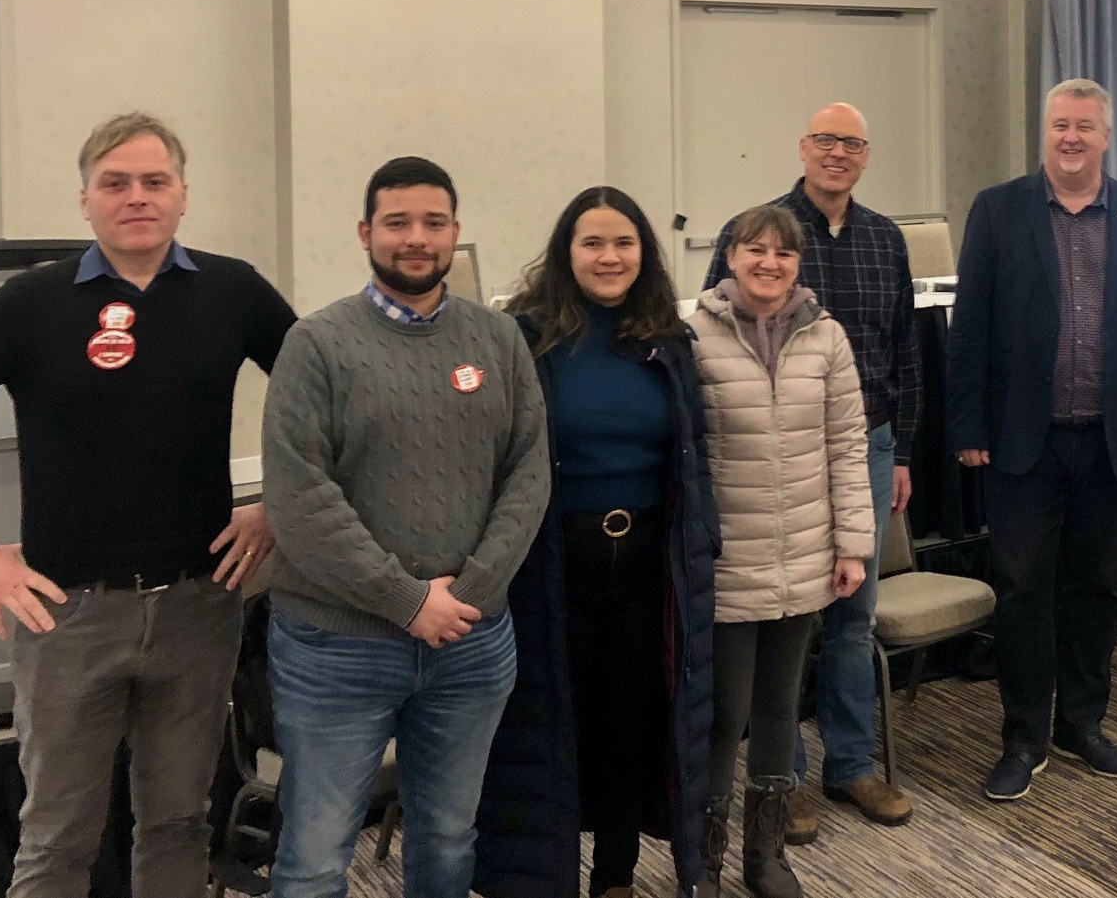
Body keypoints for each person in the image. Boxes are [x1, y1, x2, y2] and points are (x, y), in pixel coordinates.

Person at [0, 112, 294, 898]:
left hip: (197, 606)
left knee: (180, 824)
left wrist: (278, 505)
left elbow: (329, 406)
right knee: (56, 840)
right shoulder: (31, 303)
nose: (137, 196)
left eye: (155, 181)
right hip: (67, 617)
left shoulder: (233, 291)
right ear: (85, 200)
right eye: (115, 182)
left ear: (183, 194)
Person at [261, 156, 550, 898]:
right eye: (397, 223)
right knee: (318, 853)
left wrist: (473, 592)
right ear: (366, 232)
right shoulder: (316, 344)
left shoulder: (500, 338)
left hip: (471, 641)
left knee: (450, 838)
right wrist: (409, 600)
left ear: (455, 232)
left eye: (432, 222)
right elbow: (301, 499)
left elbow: (528, 473)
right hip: (338, 650)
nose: (415, 238)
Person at [947, 79, 1117, 800]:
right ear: (1045, 132)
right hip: (1023, 442)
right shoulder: (999, 209)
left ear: (1106, 135)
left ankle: (1081, 724)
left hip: (1116, 442)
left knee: (1097, 587)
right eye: (1061, 124)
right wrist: (966, 426)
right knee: (1023, 591)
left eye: (1086, 126)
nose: (1072, 138)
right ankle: (1024, 735)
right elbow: (970, 329)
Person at [475, 186, 718, 898]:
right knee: (548, 727)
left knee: (627, 727)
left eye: (623, 242)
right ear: (566, 252)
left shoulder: (668, 342)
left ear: (643, 252)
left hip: (647, 566)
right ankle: (545, 880)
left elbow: (694, 458)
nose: (609, 256)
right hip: (549, 567)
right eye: (592, 242)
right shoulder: (525, 337)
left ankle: (614, 877)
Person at [702, 101, 920, 836]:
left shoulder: (887, 239)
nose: (837, 152)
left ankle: (852, 764)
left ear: (865, 155)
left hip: (866, 445)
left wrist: (906, 449)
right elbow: (714, 321)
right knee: (780, 618)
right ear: (803, 147)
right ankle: (781, 776)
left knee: (852, 620)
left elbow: (905, 349)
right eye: (825, 139)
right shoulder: (760, 230)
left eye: (851, 142)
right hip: (772, 452)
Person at [688, 204, 874, 898]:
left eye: (784, 252)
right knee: (723, 715)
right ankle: (701, 857)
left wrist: (853, 544)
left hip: (805, 556)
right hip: (727, 562)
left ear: (799, 263)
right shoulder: (693, 336)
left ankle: (765, 856)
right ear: (729, 255)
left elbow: (847, 446)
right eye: (754, 249)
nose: (769, 262)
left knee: (778, 707)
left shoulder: (826, 337)